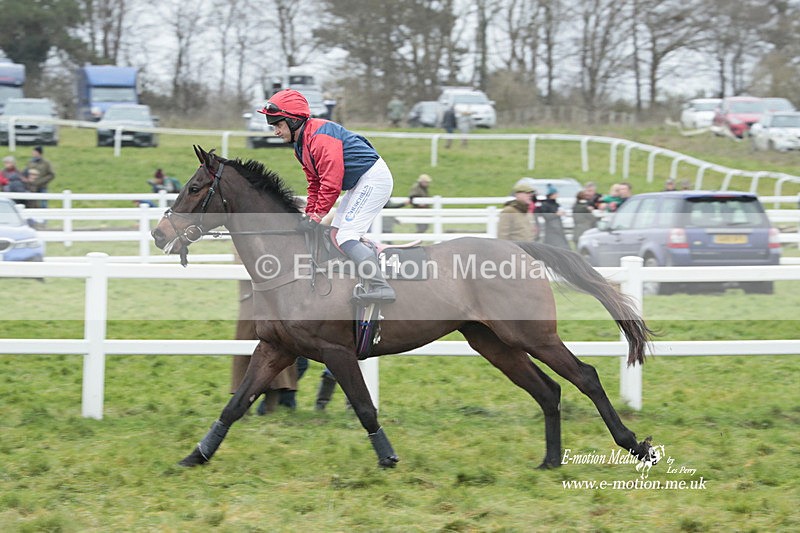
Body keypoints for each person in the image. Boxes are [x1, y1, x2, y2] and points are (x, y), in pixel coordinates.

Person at [259, 88, 396, 303]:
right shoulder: (301, 146)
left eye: (278, 124)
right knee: (335, 234)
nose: (275, 131)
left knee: (346, 236)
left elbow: (331, 183)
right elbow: (315, 183)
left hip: (373, 179)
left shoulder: (320, 137)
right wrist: (309, 214)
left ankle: (382, 287)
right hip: (360, 182)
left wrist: (316, 218)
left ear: (293, 120)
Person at [537, 185, 570, 249]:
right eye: (555, 193)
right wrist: (556, 214)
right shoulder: (545, 204)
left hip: (558, 228)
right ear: (551, 194)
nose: (557, 195)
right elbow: (545, 216)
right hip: (551, 230)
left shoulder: (556, 204)